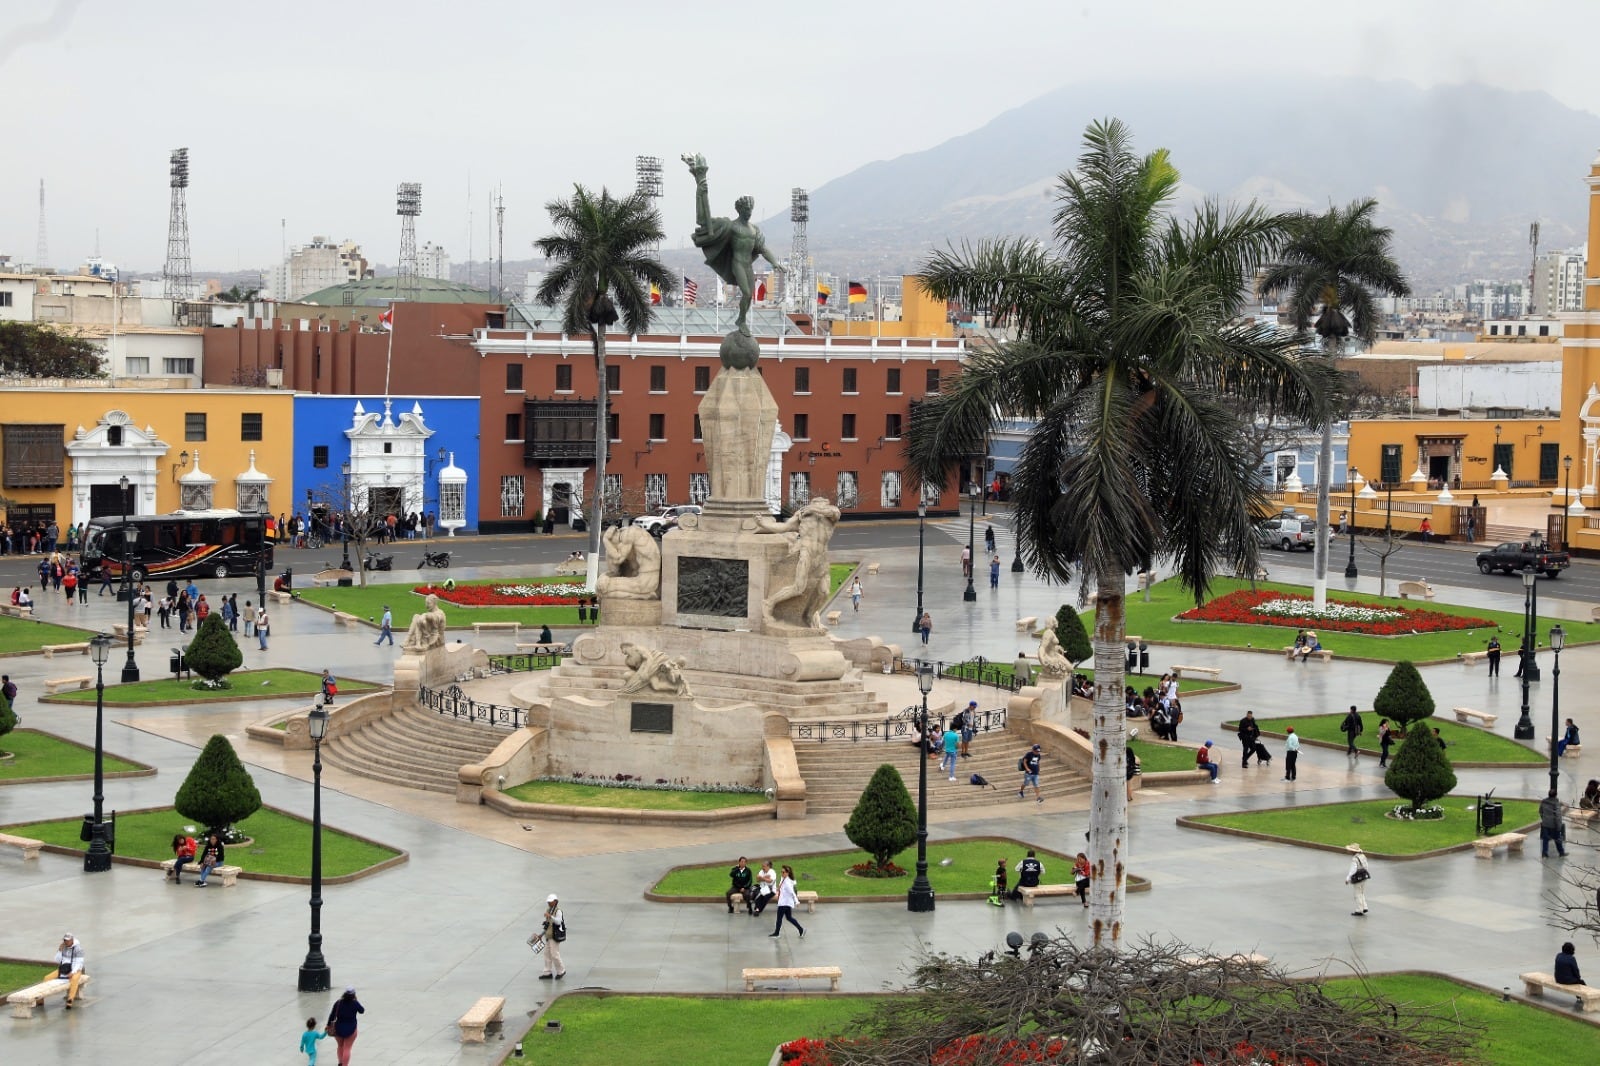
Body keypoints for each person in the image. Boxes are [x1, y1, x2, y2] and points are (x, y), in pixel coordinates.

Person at [682, 152, 781, 336]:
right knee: (745, 292)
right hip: (736, 263)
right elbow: (704, 220)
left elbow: (762, 248)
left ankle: (741, 319)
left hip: (747, 265)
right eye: (746, 209)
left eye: (750, 209)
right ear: (740, 210)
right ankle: (741, 321)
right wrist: (701, 189)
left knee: (749, 295)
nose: (749, 212)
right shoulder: (731, 226)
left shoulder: (754, 230)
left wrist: (774, 262)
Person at [326, 987, 364, 1065]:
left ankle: (340, 1063)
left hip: (338, 1028)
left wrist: (328, 1025)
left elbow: (332, 1015)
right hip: (351, 1029)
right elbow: (362, 1010)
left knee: (340, 1046)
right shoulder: (355, 1003)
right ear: (354, 995)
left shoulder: (338, 1003)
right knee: (347, 1048)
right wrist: (356, 1001)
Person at [769, 865, 805, 938]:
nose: (782, 873)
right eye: (781, 872)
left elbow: (792, 892)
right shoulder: (784, 879)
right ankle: (801, 929)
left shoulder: (787, 882)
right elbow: (781, 887)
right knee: (789, 918)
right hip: (786, 902)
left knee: (779, 918)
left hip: (784, 903)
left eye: (783, 872)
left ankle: (777, 933)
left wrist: (797, 901)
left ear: (787, 873)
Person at [52, 932, 86, 1007]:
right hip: (64, 969)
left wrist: (73, 972)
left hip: (75, 970)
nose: (65, 942)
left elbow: (79, 962)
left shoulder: (78, 949)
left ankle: (70, 999)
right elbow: (57, 960)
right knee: (47, 978)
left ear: (72, 940)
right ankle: (40, 1000)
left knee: (74, 980)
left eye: (67, 940)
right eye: (64, 940)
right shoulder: (63, 947)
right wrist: (60, 951)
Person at [540, 894, 566, 979]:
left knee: (555, 955)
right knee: (547, 954)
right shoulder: (549, 910)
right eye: (548, 902)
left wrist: (550, 916)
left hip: (554, 937)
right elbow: (548, 925)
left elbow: (558, 922)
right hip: (548, 936)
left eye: (550, 902)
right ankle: (547, 973)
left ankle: (561, 971)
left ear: (555, 901)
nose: (549, 903)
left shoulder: (558, 911)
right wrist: (541, 935)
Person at [1539, 793, 1568, 858]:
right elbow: (1557, 816)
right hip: (1554, 825)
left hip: (1545, 824)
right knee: (1557, 838)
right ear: (1555, 795)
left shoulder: (1543, 801)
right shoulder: (1556, 803)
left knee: (1545, 839)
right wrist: (1559, 826)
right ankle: (1561, 852)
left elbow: (1540, 811)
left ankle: (1544, 853)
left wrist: (1544, 819)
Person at [1345, 843, 1370, 916]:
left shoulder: (1355, 859)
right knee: (1361, 892)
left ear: (1353, 851)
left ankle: (1360, 910)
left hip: (1358, 878)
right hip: (1364, 876)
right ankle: (1364, 907)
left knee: (1357, 893)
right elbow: (1366, 866)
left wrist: (1348, 879)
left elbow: (1353, 870)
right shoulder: (1363, 856)